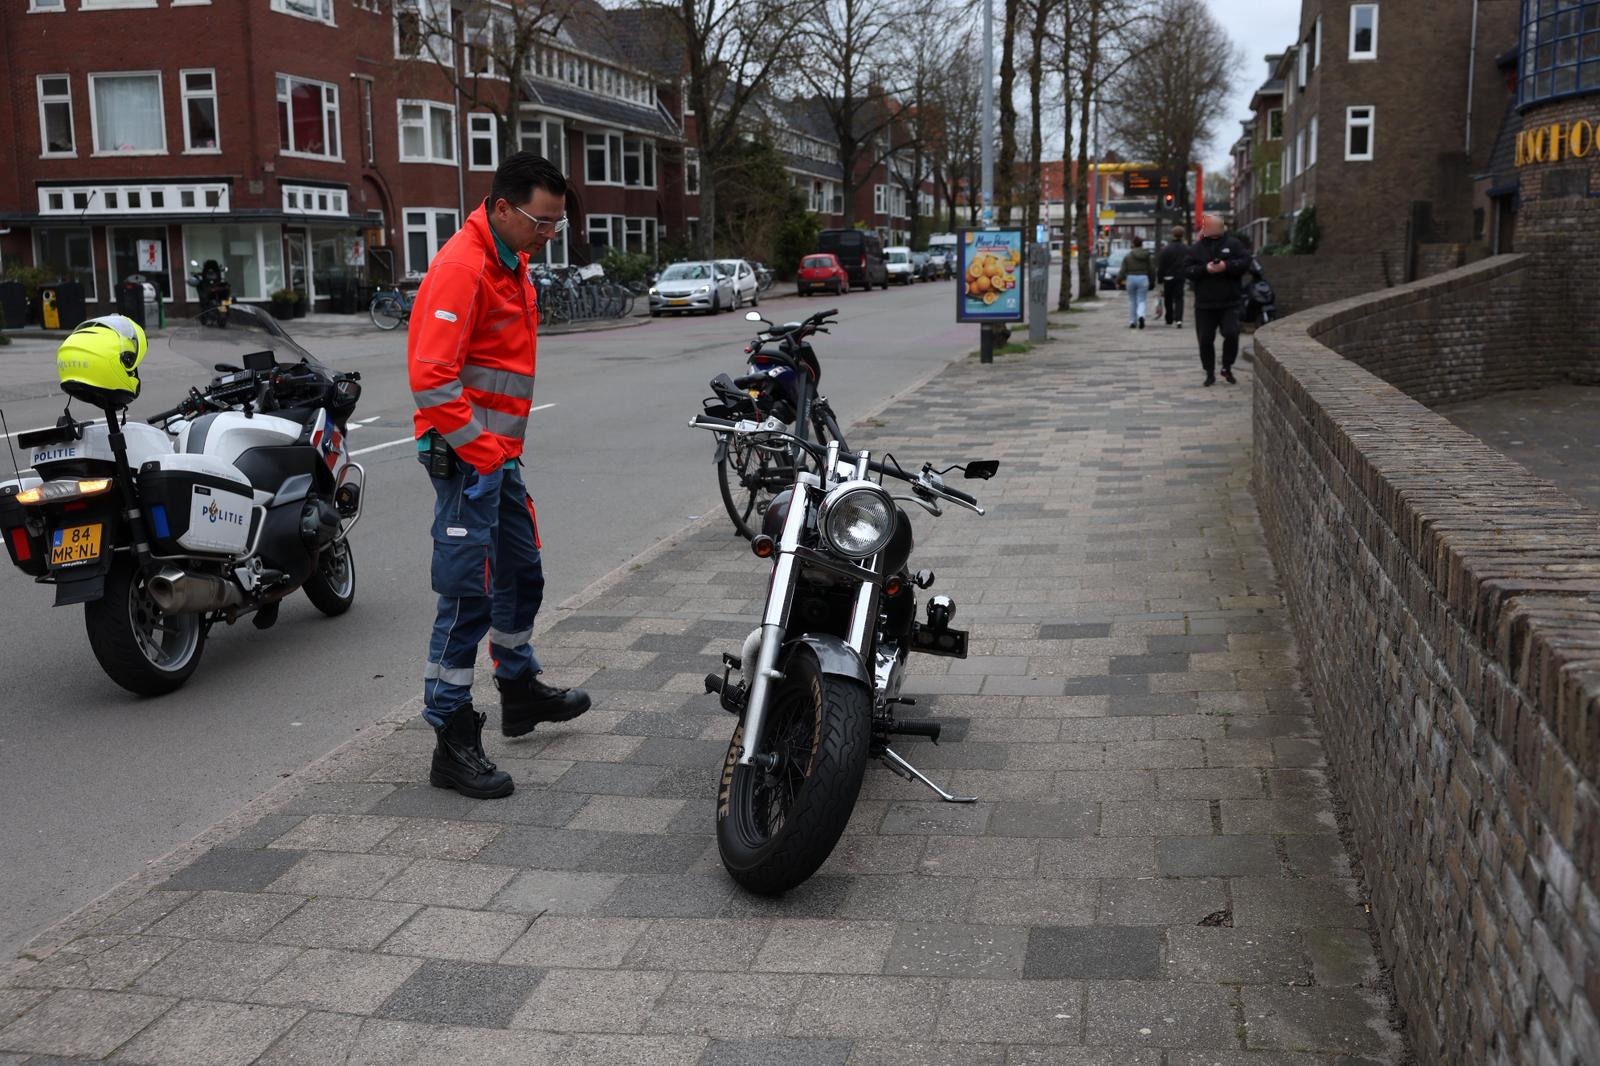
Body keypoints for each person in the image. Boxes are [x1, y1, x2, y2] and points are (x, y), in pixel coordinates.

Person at [409, 152, 590, 799]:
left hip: (496, 456)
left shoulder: (513, 262)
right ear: (504, 208)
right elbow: (431, 378)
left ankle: (517, 690)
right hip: (466, 459)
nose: (549, 236)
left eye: (556, 225)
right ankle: (451, 738)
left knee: (521, 571)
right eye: (542, 223)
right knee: (469, 597)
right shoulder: (463, 266)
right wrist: (483, 454)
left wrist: (499, 453)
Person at [1183, 214, 1252, 386]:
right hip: (1204, 304)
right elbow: (1186, 270)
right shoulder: (1196, 249)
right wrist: (1205, 269)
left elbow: (1245, 262)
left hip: (1230, 301)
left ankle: (1227, 366)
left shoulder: (1234, 245)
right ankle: (1209, 371)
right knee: (1205, 339)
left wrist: (1226, 266)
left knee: (1231, 333)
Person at [1117, 235, 1157, 329]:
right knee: (1141, 299)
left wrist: (1118, 280)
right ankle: (1141, 316)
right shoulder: (1147, 256)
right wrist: (1152, 281)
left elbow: (1123, 270)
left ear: (1133, 244)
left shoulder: (1128, 256)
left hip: (1131, 278)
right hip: (1143, 278)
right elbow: (1152, 269)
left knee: (1132, 300)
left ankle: (1132, 321)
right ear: (1141, 244)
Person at [1156, 226, 1188, 327]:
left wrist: (1160, 278)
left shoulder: (1166, 249)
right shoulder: (1186, 249)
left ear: (1172, 235)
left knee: (1168, 298)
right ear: (1182, 235)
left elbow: (1162, 265)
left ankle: (1169, 318)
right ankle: (1179, 319)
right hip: (1180, 276)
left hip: (1168, 277)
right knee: (1179, 298)